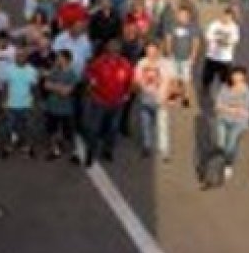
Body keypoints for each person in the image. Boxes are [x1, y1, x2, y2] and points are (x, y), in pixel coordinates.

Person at [82, 38, 134, 166]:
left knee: (113, 129)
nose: (113, 54)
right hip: (100, 101)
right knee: (94, 129)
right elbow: (88, 73)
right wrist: (90, 82)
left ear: (119, 52)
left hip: (117, 103)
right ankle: (90, 153)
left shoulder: (125, 65)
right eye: (111, 51)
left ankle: (108, 150)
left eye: (116, 51)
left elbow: (130, 81)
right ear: (107, 51)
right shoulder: (99, 63)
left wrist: (127, 94)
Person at [133, 41, 176, 162]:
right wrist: (136, 91)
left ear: (158, 51)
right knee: (145, 125)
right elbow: (136, 80)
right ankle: (147, 146)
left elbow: (173, 83)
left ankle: (165, 151)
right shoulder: (141, 62)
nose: (150, 54)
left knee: (162, 127)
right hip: (145, 100)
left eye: (153, 51)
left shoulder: (166, 64)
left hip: (161, 101)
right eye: (148, 51)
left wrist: (171, 99)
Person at [212, 65, 249, 183]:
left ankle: (228, 165)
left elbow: (245, 111)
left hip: (238, 124)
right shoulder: (225, 87)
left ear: (244, 77)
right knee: (220, 144)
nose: (236, 79)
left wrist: (227, 108)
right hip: (223, 120)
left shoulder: (248, 92)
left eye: (240, 77)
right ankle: (218, 163)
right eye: (235, 75)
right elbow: (217, 106)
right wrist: (234, 110)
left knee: (230, 146)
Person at [0, 49, 40, 158]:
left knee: (29, 126)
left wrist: (34, 103)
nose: (20, 58)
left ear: (26, 58)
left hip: (26, 104)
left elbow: (34, 88)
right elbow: (5, 87)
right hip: (11, 104)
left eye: (22, 56)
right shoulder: (8, 69)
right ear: (15, 57)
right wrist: (3, 101)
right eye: (18, 56)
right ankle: (7, 146)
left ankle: (28, 146)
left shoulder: (32, 70)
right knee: (9, 126)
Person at [41, 49, 80, 160]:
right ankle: (55, 150)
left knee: (69, 132)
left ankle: (74, 153)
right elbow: (46, 85)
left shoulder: (72, 74)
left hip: (66, 109)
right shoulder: (54, 70)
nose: (57, 59)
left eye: (60, 57)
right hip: (52, 107)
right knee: (52, 130)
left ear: (67, 60)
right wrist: (60, 87)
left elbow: (66, 92)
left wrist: (54, 86)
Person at [201, 7, 240, 98]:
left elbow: (234, 41)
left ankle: (224, 95)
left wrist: (231, 55)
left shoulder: (234, 27)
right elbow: (208, 37)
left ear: (232, 18)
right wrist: (218, 42)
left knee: (225, 80)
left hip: (225, 58)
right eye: (225, 16)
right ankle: (205, 90)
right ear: (222, 15)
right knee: (207, 77)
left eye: (229, 17)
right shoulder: (214, 25)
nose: (226, 19)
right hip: (212, 56)